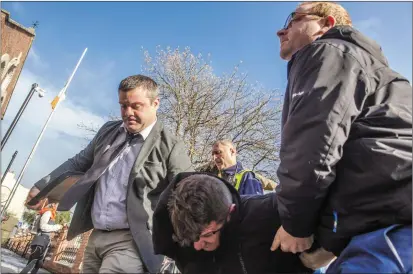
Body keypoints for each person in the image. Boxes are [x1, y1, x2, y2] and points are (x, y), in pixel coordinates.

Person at [271, 0, 412, 271]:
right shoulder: (371, 70)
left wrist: (295, 225)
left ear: (327, 24)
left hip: (389, 227)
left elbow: (313, 147)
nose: (281, 30)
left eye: (294, 19)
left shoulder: (327, 51)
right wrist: (329, 243)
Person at [25, 74, 193, 273]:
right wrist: (42, 187)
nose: (128, 112)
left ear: (155, 104)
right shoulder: (108, 131)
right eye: (123, 105)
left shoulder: (171, 145)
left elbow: (187, 191)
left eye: (136, 106)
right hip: (95, 236)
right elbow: (79, 162)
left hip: (134, 241)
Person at [152, 172, 312, 274]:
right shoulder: (179, 235)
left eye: (207, 234)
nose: (197, 246)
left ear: (230, 213)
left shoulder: (266, 212)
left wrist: (298, 226)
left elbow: (324, 201)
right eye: (189, 237)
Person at [199, 139, 264, 195]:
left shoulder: (247, 177)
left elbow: (253, 207)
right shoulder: (213, 179)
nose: (214, 158)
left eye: (218, 152)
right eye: (213, 154)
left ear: (232, 151)